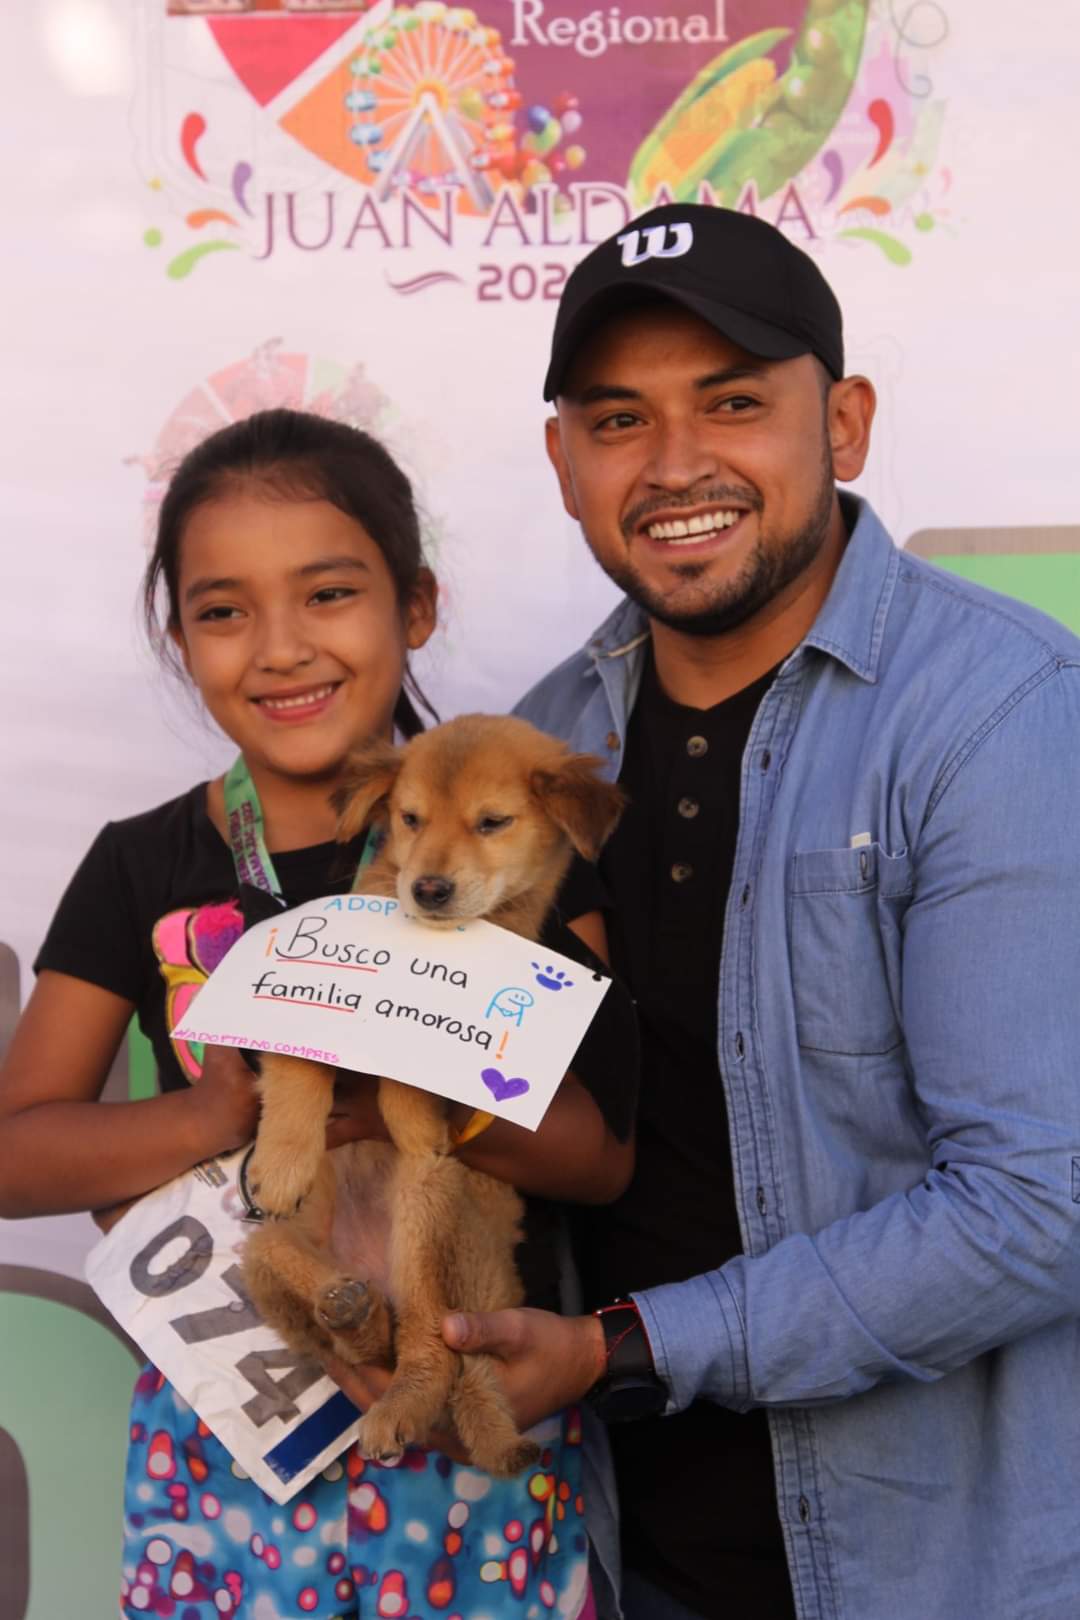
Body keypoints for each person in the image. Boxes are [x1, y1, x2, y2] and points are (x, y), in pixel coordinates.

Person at [435, 205, 1080, 1620]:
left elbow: (1040, 1207)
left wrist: (624, 1349)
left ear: (842, 422)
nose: (676, 466)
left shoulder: (999, 713)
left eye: (733, 403)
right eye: (619, 420)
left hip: (940, 1572)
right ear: (563, 462)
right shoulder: (541, 755)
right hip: (626, 1554)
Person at [0, 408, 635, 1620]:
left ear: (418, 607)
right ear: (177, 635)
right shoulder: (147, 864)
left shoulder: (525, 846)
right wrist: (223, 1106)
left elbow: (601, 1159)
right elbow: (18, 1153)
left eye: (329, 593)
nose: (280, 648)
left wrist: (397, 1094)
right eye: (223, 610)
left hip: (474, 1430)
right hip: (229, 1458)